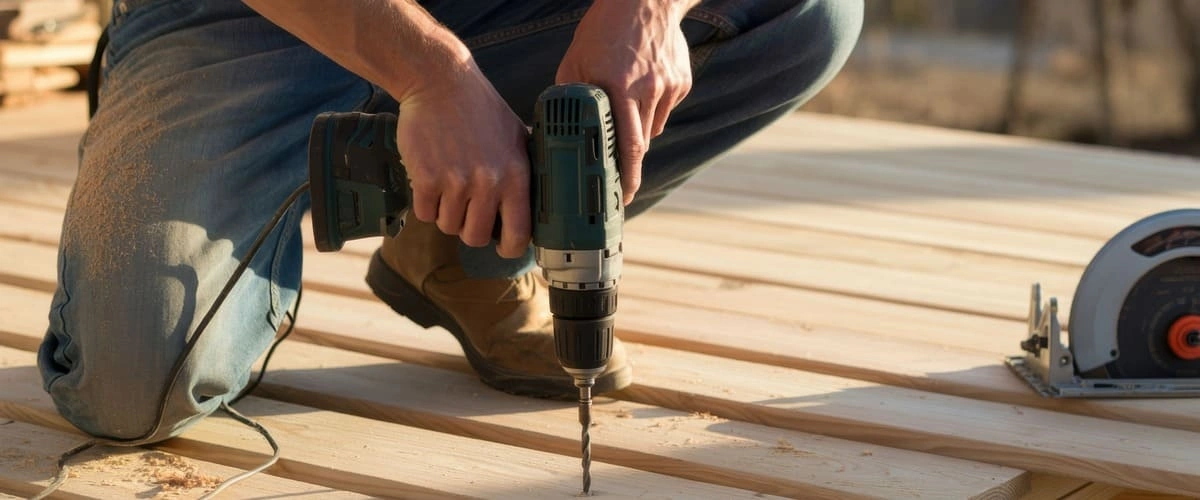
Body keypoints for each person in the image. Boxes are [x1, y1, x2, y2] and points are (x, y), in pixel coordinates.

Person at [37, 0, 862, 444]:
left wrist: (647, 6)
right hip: (248, 18)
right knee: (130, 390)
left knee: (809, 10)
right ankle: (163, 158)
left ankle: (472, 242)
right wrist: (433, 75)